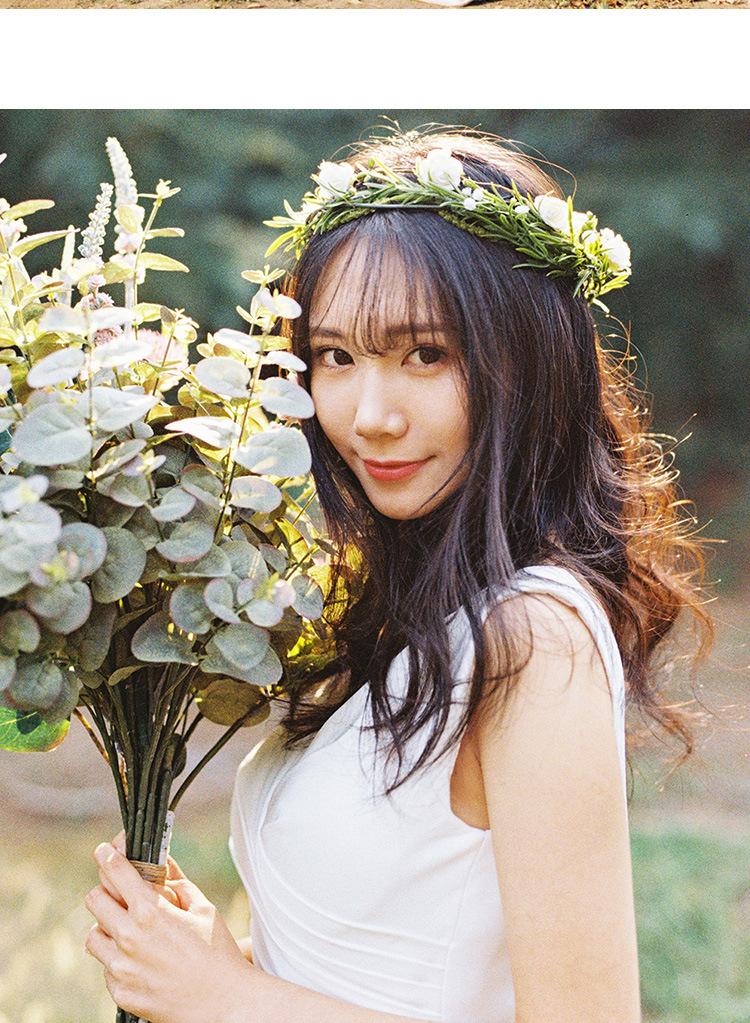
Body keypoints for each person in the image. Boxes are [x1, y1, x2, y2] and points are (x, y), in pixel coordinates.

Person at [84, 128, 714, 1023]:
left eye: (425, 354)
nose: (370, 415)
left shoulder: (535, 638)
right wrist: (206, 959)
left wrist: (224, 995)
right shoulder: (403, 607)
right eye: (336, 356)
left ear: (528, 360)